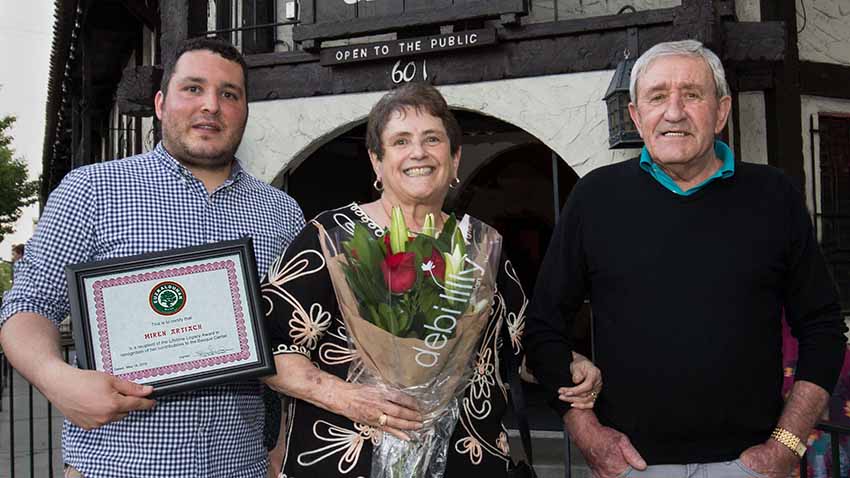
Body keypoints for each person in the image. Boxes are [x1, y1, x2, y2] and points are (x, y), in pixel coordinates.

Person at [524, 39, 848, 478]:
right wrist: (587, 433)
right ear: (637, 116)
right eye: (657, 97)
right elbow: (544, 329)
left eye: (691, 95)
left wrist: (786, 445)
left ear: (721, 111)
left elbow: (823, 328)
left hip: (750, 465)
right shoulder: (595, 199)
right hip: (631, 466)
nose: (673, 112)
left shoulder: (774, 197)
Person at [261, 82, 602, 477]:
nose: (418, 152)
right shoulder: (331, 237)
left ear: (454, 158)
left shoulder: (481, 245)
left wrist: (568, 363)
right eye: (401, 141)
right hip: (347, 457)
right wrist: (351, 398)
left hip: (469, 457)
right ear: (377, 161)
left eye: (432, 140)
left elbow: (516, 346)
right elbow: (270, 349)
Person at [0, 37, 304, 477]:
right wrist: (57, 380)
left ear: (245, 110)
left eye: (229, 94)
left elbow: (294, 337)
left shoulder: (280, 212)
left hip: (242, 468)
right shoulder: (91, 191)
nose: (211, 106)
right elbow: (28, 305)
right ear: (161, 103)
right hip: (116, 468)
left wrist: (280, 449)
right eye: (193, 88)